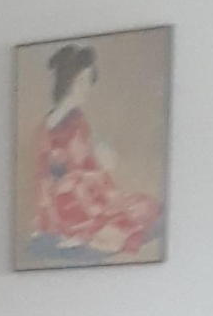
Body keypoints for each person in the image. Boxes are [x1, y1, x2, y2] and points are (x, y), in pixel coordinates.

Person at [33, 43, 162, 259]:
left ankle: (96, 222)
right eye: (81, 81)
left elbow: (87, 158)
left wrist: (101, 158)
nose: (86, 88)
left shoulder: (78, 119)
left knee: (141, 206)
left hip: (90, 189)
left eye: (88, 81)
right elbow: (45, 177)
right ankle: (81, 232)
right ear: (67, 81)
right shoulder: (48, 127)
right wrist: (47, 219)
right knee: (109, 219)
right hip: (67, 199)